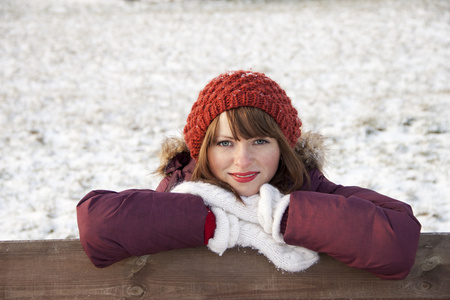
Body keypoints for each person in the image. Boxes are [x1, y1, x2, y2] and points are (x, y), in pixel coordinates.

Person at [77, 70, 421, 280]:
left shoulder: (312, 189)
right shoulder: (182, 190)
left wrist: (284, 216)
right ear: (203, 151)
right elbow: (98, 225)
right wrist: (215, 220)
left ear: (284, 146)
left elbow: (397, 241)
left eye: (259, 140)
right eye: (225, 143)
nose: (243, 160)